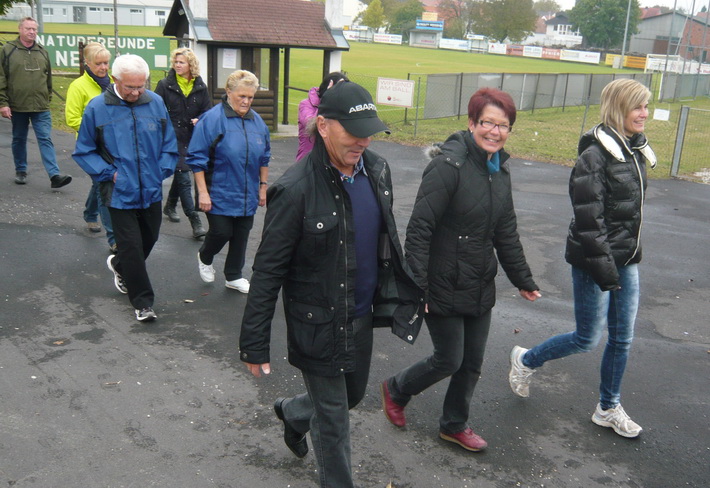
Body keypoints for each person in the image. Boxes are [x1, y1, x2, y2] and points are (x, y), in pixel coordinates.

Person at [239, 81, 424, 488]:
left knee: (351, 396)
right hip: (317, 322)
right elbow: (268, 270)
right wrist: (254, 341)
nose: (364, 140)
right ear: (322, 126)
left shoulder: (377, 170)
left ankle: (293, 413)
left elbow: (386, 241)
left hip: (359, 315)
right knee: (334, 421)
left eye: (369, 131)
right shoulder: (295, 189)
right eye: (354, 132)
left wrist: (413, 289)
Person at [381, 87, 541, 452]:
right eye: (487, 122)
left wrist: (522, 279)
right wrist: (418, 286)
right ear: (472, 123)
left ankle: (454, 425)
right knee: (448, 359)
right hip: (441, 280)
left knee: (471, 363)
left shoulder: (500, 172)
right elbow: (419, 230)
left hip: (479, 280)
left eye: (503, 125)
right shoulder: (447, 167)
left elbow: (506, 232)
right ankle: (397, 388)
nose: (495, 132)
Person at [508, 78, 656, 439]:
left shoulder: (633, 150)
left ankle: (608, 407)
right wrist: (607, 273)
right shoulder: (594, 156)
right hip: (593, 261)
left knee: (622, 338)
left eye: (646, 106)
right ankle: (526, 360)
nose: (644, 113)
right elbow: (590, 222)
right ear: (619, 108)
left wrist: (625, 260)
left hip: (626, 258)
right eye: (637, 107)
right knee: (588, 338)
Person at [72, 54, 178, 322]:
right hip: (118, 192)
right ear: (115, 80)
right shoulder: (97, 108)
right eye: (130, 86)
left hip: (150, 188)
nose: (137, 92)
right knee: (131, 246)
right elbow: (84, 151)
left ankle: (119, 265)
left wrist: (161, 171)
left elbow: (169, 144)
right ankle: (143, 303)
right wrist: (110, 174)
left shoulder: (155, 103)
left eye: (141, 86)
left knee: (149, 239)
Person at [187, 70, 270, 293]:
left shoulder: (257, 122)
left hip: (247, 190)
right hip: (217, 189)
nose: (246, 101)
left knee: (242, 233)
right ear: (228, 92)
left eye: (250, 97)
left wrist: (263, 187)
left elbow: (264, 156)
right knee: (222, 231)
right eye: (242, 96)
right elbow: (196, 159)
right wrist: (203, 193)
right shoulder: (212, 119)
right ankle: (205, 256)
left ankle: (234, 276)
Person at [0, 17, 71, 188]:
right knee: (19, 138)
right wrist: (3, 103)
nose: (32, 32)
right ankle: (21, 171)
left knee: (45, 138)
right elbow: (1, 78)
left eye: (34, 29)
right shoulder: (8, 50)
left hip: (41, 106)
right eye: (28, 29)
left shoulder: (42, 52)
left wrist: (47, 97)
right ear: (20, 29)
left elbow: (48, 78)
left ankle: (54, 175)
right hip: (17, 105)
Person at [155, 47, 211, 239]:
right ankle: (195, 221)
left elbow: (207, 111)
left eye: (182, 62)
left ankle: (170, 206)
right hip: (172, 138)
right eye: (176, 62)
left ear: (190, 65)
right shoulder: (165, 85)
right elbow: (155, 109)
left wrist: (200, 119)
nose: (178, 65)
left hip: (192, 138)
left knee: (182, 173)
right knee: (184, 177)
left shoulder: (200, 86)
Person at [65, 42, 116, 252]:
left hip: (112, 144)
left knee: (100, 182)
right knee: (103, 184)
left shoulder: (113, 83)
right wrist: (96, 129)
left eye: (106, 63)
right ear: (87, 63)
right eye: (98, 63)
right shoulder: (78, 86)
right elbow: (71, 118)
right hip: (91, 146)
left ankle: (89, 213)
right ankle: (114, 238)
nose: (103, 68)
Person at [296, 71, 348, 161]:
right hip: (308, 161)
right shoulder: (306, 104)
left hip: (331, 160)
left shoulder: (340, 106)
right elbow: (310, 124)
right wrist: (327, 99)